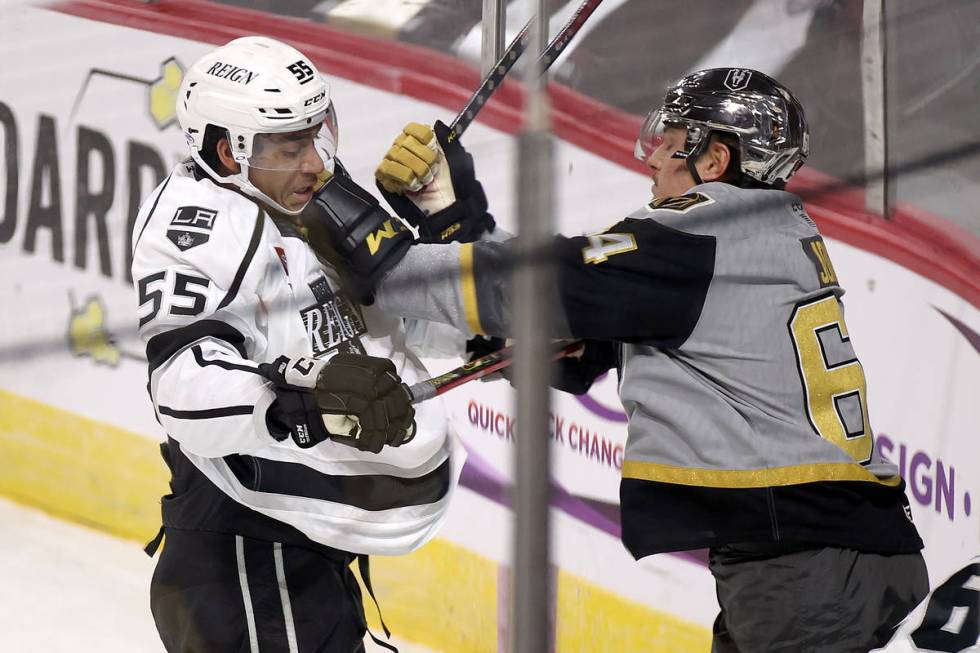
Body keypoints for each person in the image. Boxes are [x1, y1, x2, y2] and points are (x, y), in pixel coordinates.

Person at [303, 68, 929, 652]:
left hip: (809, 567)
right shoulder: (747, 236)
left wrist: (363, 236)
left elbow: (532, 288)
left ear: (714, 158)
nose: (654, 155)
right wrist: (450, 214)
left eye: (674, 140)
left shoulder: (699, 238)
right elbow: (566, 340)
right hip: (822, 553)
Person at [131, 36, 461, 653]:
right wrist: (303, 400)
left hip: (300, 556)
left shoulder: (300, 196)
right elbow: (182, 387)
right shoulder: (198, 228)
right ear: (230, 152)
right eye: (292, 145)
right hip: (246, 560)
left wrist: (444, 220)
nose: (316, 161)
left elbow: (411, 320)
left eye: (318, 134)